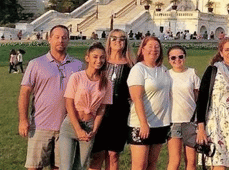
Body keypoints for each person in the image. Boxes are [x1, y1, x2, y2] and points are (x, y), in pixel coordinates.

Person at [18, 25, 84, 170]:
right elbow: (25, 93)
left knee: (60, 166)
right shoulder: (36, 64)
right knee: (34, 166)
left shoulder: (78, 65)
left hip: (66, 127)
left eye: (64, 38)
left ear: (68, 41)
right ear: (49, 39)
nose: (61, 41)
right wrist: (23, 120)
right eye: (57, 37)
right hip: (41, 125)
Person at [59, 42, 113, 170]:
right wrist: (77, 129)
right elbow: (69, 103)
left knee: (81, 166)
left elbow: (102, 108)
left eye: (102, 57)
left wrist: (94, 129)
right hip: (71, 124)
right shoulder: (77, 77)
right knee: (65, 167)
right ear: (87, 58)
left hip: (89, 126)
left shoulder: (107, 83)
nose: (98, 60)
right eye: (95, 57)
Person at [197, 38, 229, 169]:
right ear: (221, 52)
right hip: (215, 120)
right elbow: (202, 100)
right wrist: (201, 128)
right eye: (227, 50)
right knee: (219, 163)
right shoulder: (213, 71)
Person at [90, 29, 135, 170]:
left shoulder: (131, 65)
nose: (118, 42)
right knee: (97, 154)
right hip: (99, 113)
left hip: (119, 113)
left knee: (113, 154)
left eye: (122, 39)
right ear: (109, 41)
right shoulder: (100, 62)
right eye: (114, 38)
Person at [128, 36, 172, 170]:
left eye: (157, 47)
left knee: (152, 164)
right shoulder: (138, 69)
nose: (154, 50)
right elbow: (137, 98)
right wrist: (143, 123)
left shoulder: (163, 69)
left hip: (160, 123)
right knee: (140, 165)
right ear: (142, 49)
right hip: (141, 124)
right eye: (150, 46)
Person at [166, 45, 200, 170]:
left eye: (180, 57)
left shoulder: (192, 73)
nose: (177, 60)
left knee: (191, 161)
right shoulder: (166, 75)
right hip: (173, 120)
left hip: (190, 121)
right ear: (169, 60)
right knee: (175, 160)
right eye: (173, 58)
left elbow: (197, 97)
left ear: (185, 58)